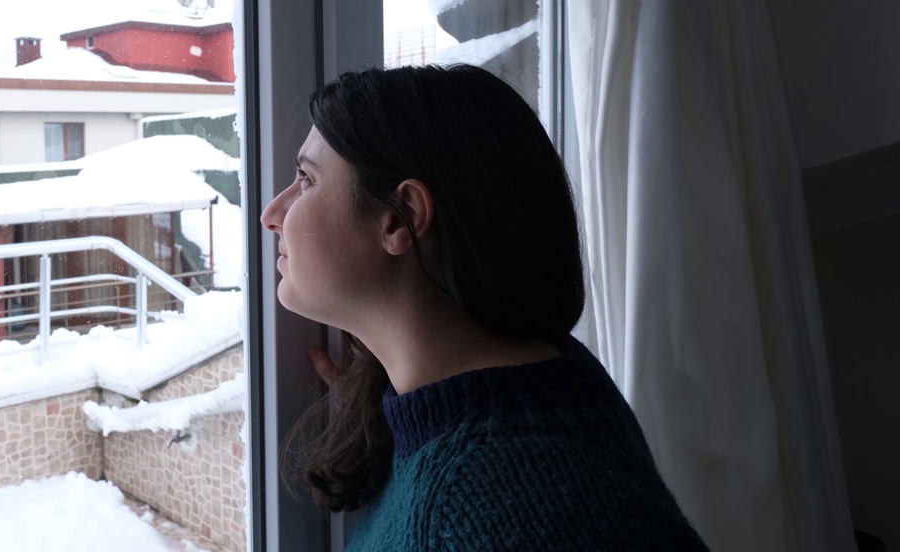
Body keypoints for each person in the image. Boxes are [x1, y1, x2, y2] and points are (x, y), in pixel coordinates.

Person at [261, 65, 709, 551]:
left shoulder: (508, 509)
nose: (271, 215)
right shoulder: (547, 377)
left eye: (306, 180)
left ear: (401, 218)